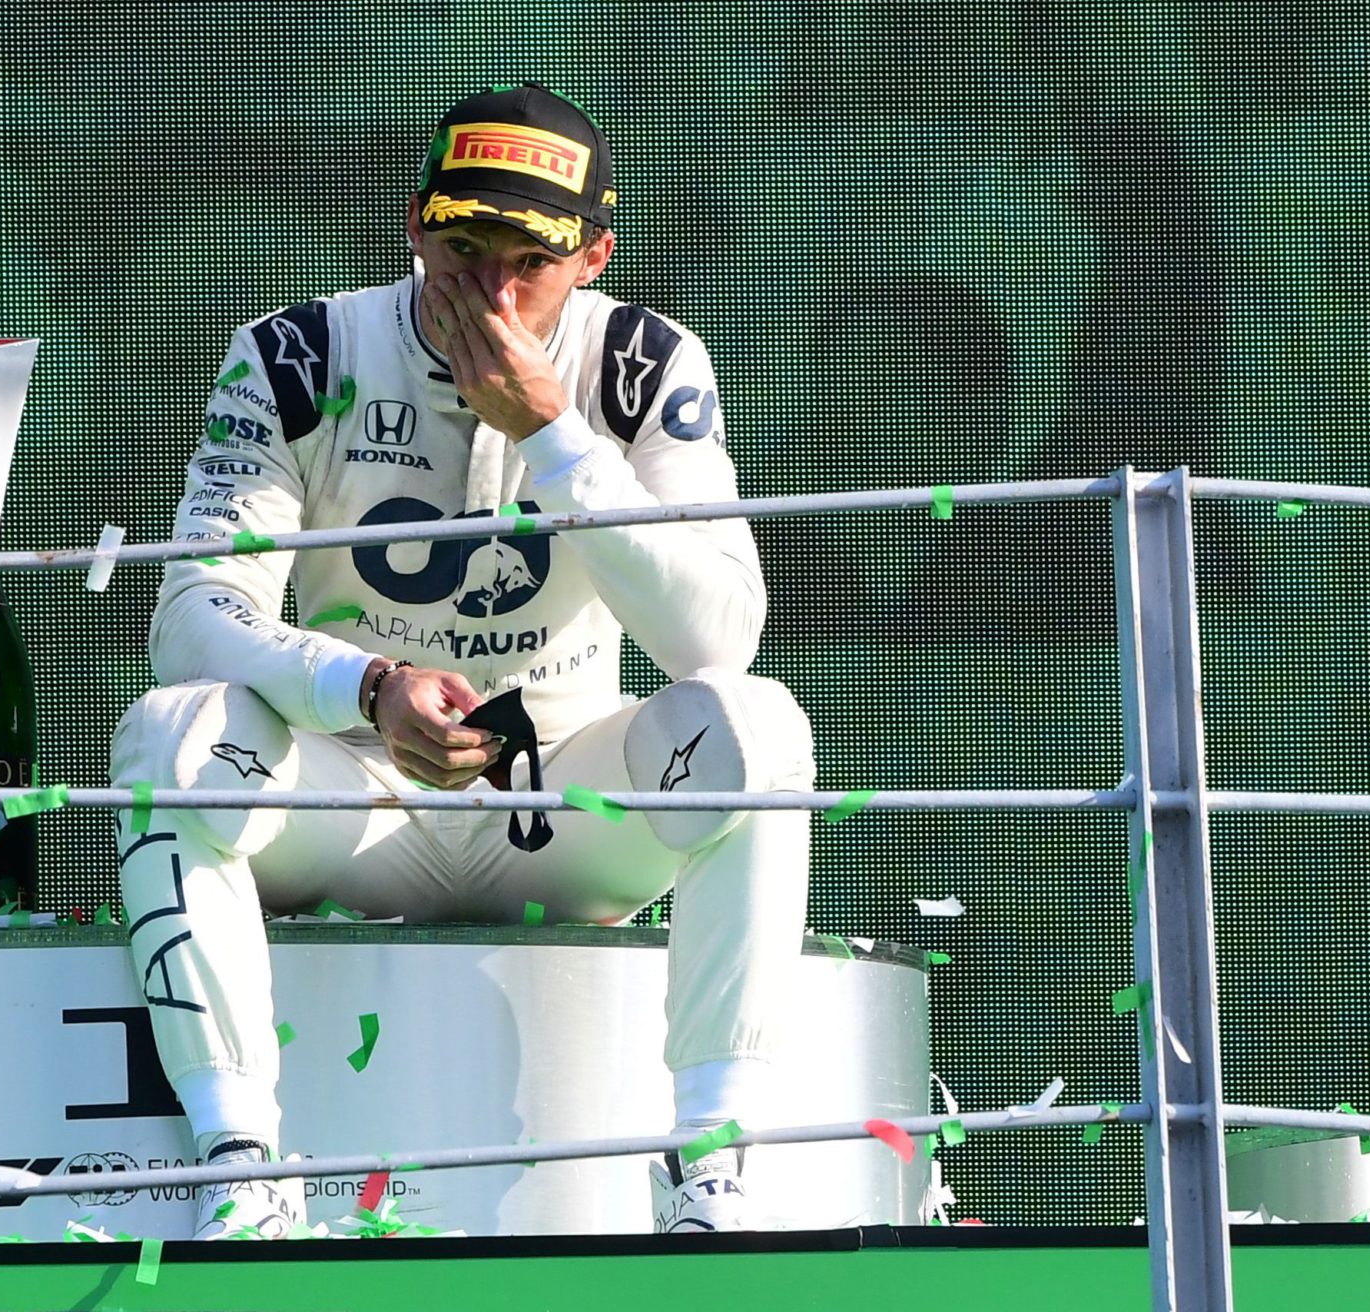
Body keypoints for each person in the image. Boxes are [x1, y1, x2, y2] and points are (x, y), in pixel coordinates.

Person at [111, 82, 815, 1238]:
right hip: (359, 798)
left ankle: (711, 1169)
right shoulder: (296, 353)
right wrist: (367, 689)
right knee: (167, 738)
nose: (491, 294)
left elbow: (717, 636)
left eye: (529, 261)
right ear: (414, 224)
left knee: (759, 726)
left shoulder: (643, 361)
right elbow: (194, 614)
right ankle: (242, 1169)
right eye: (464, 248)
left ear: (594, 256)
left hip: (566, 809)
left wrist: (554, 434)